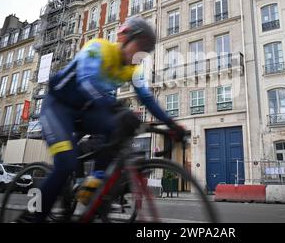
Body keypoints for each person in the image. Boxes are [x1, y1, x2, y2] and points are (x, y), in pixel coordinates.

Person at [18, 17, 185, 222]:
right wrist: (115, 108)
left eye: (146, 51)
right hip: (58, 107)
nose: (140, 54)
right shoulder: (99, 48)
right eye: (139, 46)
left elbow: (147, 99)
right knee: (66, 162)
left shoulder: (133, 69)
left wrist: (171, 124)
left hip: (84, 111)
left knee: (118, 129)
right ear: (124, 39)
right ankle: (32, 216)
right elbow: (87, 82)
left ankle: (94, 183)